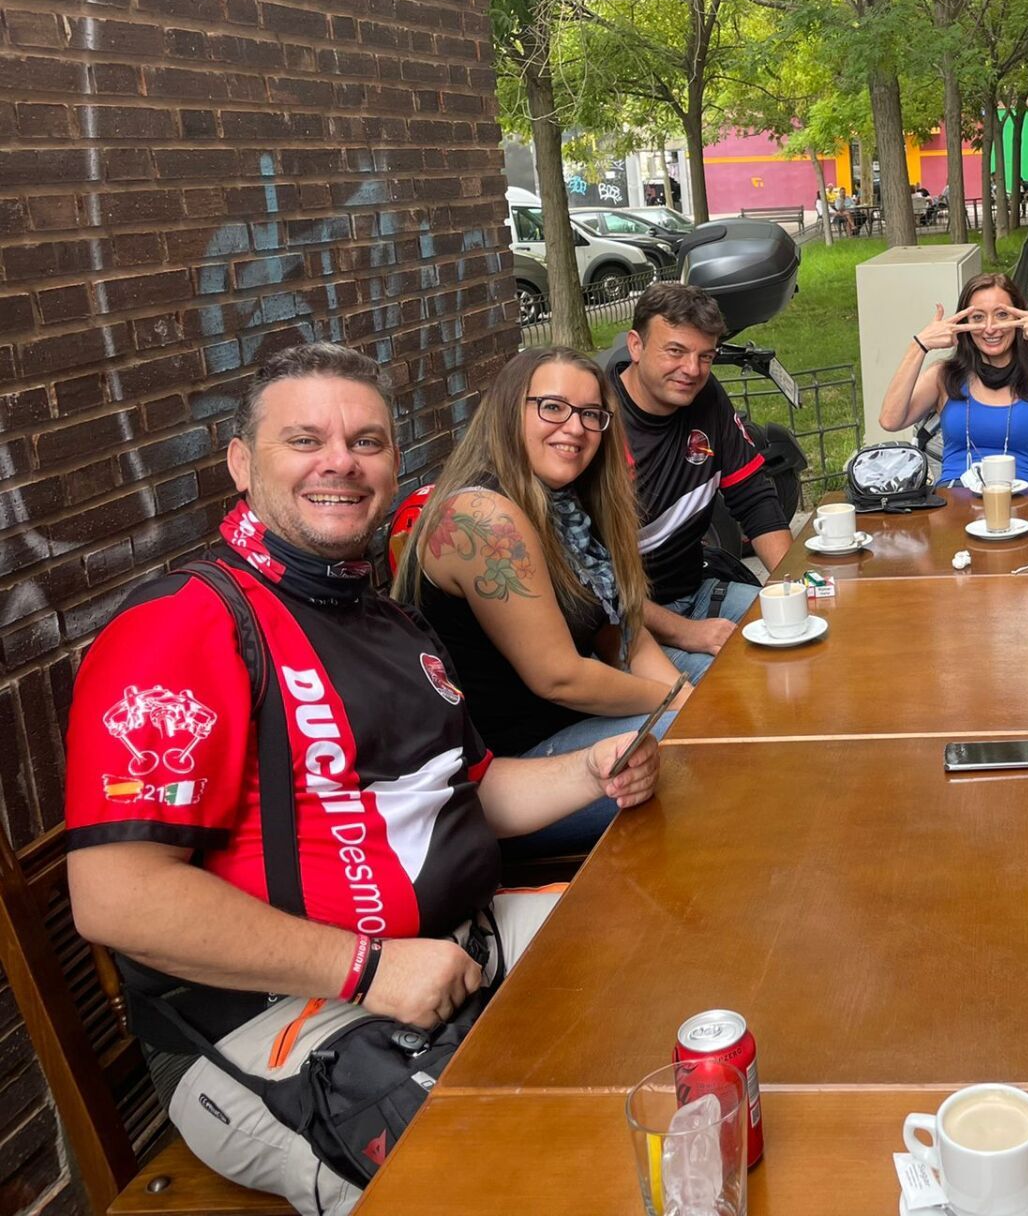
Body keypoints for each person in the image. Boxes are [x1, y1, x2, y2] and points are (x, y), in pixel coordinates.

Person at [63, 342, 659, 1214]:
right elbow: (116, 900)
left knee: (672, 966)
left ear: (392, 464)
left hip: (457, 946)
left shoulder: (387, 619)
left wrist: (592, 768)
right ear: (242, 464)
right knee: (519, 1184)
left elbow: (472, 791)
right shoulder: (182, 627)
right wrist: (365, 968)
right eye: (305, 440)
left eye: (366, 442)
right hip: (280, 1016)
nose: (339, 462)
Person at [393, 347, 687, 853]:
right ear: (510, 410)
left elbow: (618, 629)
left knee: (727, 689)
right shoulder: (483, 516)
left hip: (571, 729)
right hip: (512, 776)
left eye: (591, 414)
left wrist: (682, 690)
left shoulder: (567, 505)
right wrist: (679, 703)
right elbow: (559, 677)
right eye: (552, 407)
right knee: (699, 743)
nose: (575, 427)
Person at [611, 282, 793, 681]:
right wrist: (687, 633)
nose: (692, 370)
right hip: (626, 625)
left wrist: (793, 587)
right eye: (675, 351)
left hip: (698, 589)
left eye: (705, 356)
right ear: (636, 346)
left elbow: (753, 497)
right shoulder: (598, 423)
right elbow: (593, 582)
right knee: (739, 681)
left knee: (805, 630)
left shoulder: (705, 395)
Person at [877, 271, 1028, 487]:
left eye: (1002, 315)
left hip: (1024, 505)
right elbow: (890, 420)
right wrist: (919, 345)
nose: (990, 328)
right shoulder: (944, 376)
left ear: (1020, 318)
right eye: (978, 317)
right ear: (964, 324)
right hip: (952, 504)